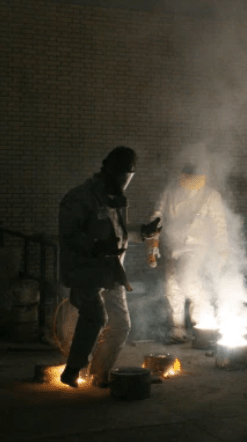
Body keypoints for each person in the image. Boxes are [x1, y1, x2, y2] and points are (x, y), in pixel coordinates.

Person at [58, 147, 162, 387]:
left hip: (111, 271)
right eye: (121, 176)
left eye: (128, 177)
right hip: (86, 271)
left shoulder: (115, 200)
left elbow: (119, 235)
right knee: (95, 316)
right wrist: (95, 246)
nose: (124, 183)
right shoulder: (79, 198)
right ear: (109, 171)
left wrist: (143, 233)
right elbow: (69, 235)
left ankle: (100, 374)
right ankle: (73, 370)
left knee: (122, 324)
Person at [149, 163, 229, 343]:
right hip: (173, 247)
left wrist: (222, 250)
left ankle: (202, 325)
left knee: (188, 281)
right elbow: (157, 216)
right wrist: (152, 240)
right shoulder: (171, 192)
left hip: (197, 248)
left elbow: (219, 225)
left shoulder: (210, 195)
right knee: (172, 289)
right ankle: (177, 330)